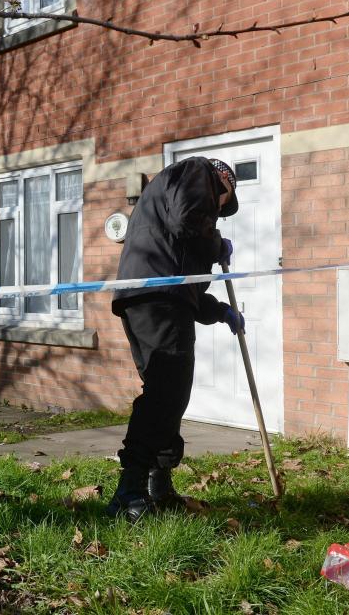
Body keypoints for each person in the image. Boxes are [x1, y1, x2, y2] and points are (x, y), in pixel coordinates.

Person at [108, 157, 244, 523]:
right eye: (222, 201)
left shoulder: (172, 210)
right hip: (158, 297)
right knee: (166, 393)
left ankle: (158, 485)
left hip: (154, 297)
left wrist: (219, 311)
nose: (217, 211)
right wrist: (216, 246)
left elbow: (186, 279)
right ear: (223, 181)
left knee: (169, 392)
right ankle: (129, 492)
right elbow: (188, 222)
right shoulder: (198, 171)